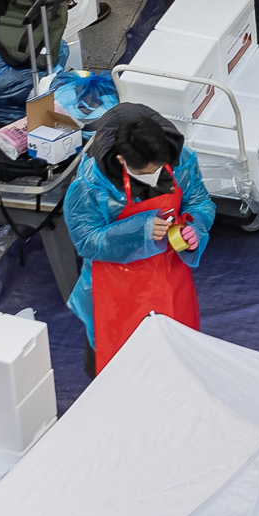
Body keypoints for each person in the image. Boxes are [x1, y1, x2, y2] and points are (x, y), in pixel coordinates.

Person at [62, 104, 214, 375]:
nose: (154, 176)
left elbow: (199, 201)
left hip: (171, 276)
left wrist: (195, 226)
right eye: (145, 173)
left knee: (177, 354)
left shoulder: (181, 159)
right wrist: (139, 231)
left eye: (159, 169)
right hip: (115, 286)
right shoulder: (90, 185)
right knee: (118, 364)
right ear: (122, 160)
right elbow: (86, 239)